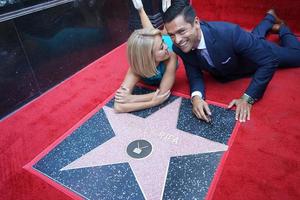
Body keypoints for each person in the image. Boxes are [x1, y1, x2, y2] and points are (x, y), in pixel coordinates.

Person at [163, 3, 300, 123]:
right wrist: (197, 97)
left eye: (182, 31)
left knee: (296, 56)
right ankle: (269, 17)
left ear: (196, 23)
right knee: (252, 38)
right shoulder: (178, 47)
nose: (177, 40)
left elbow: (269, 61)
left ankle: (283, 29)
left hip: (253, 60)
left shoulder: (230, 33)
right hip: (240, 50)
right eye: (171, 35)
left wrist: (248, 98)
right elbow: (194, 74)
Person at [114, 0, 178, 113]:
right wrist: (152, 102)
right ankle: (141, 10)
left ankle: (141, 10)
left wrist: (131, 98)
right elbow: (118, 106)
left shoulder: (170, 54)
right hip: (151, 49)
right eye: (161, 48)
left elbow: (163, 93)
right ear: (147, 57)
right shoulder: (137, 67)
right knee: (151, 38)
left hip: (167, 39)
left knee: (158, 34)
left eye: (163, 44)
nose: (165, 47)